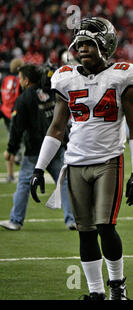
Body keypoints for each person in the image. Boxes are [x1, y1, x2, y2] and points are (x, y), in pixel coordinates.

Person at [29, 17, 133, 300]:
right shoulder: (65, 77)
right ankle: (96, 292)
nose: (82, 49)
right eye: (79, 44)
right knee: (85, 232)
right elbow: (57, 127)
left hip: (109, 160)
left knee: (106, 227)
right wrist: (39, 168)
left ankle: (117, 286)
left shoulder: (123, 74)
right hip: (75, 162)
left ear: (105, 46)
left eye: (89, 44)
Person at [0, 64, 76, 231]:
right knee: (64, 182)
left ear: (26, 81)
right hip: (55, 146)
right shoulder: (48, 94)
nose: (19, 81)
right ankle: (71, 220)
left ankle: (16, 220)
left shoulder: (23, 99)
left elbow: (17, 128)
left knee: (24, 184)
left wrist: (11, 150)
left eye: (20, 78)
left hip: (35, 150)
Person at [1, 58, 24, 182]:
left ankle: (10, 175)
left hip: (5, 112)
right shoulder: (20, 79)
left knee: (11, 141)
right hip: (17, 113)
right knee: (22, 140)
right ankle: (19, 156)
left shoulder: (5, 79)